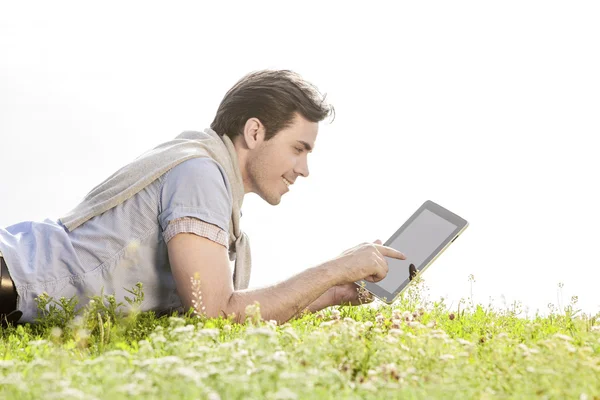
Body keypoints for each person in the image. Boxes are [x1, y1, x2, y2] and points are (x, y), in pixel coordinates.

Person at [0, 70, 406, 327]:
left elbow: (226, 310)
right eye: (298, 149)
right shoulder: (201, 175)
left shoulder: (204, 170)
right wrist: (335, 267)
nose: (303, 169)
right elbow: (215, 311)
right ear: (254, 133)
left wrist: (333, 292)